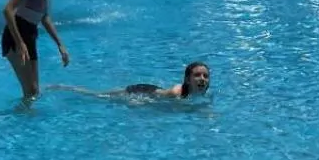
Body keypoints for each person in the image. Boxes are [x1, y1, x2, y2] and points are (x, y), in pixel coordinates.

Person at [2, 0, 70, 100]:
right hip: (16, 36)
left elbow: (44, 17)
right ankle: (19, 121)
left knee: (34, 91)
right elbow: (7, 10)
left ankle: (28, 119)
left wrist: (60, 45)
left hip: (30, 35)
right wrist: (20, 43)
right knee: (30, 91)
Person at [63, 62, 211, 101]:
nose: (202, 79)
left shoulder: (202, 93)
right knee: (97, 95)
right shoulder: (176, 92)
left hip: (151, 91)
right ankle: (67, 88)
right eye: (197, 75)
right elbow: (157, 103)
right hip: (139, 91)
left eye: (205, 76)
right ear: (187, 79)